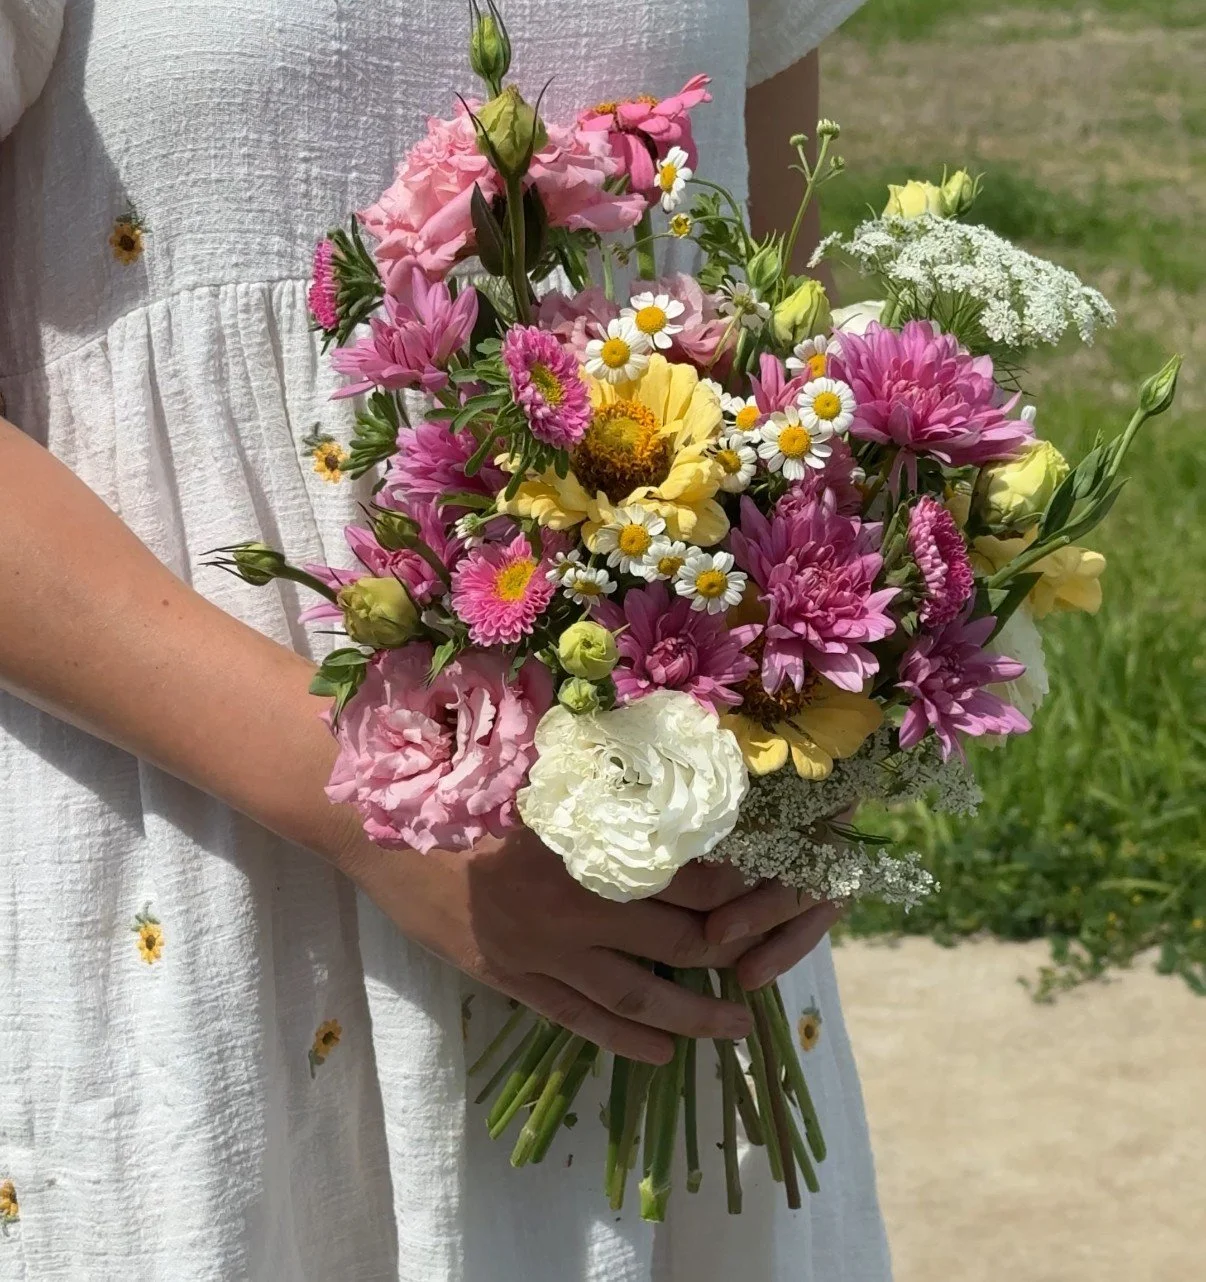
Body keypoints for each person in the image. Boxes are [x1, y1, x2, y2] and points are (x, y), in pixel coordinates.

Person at [0, 1, 890, 1278]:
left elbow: (777, 339)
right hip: (203, 872)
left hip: (669, 904)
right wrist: (377, 805)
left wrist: (815, 753)